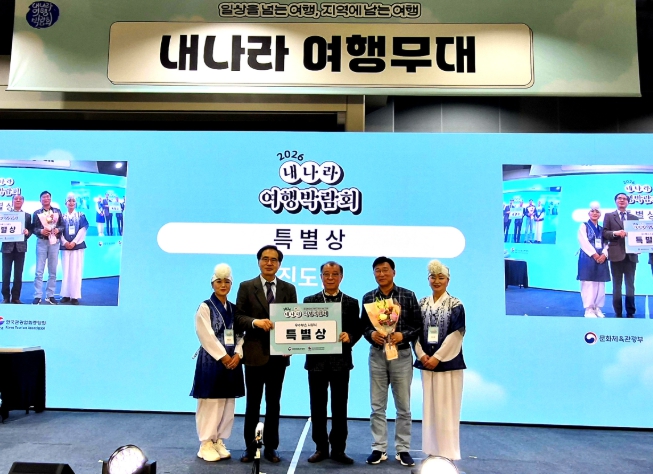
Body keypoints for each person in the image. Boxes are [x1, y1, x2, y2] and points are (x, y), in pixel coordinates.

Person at [235, 245, 297, 464]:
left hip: (279, 356)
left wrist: (290, 346)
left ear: (279, 264)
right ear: (259, 261)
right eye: (265, 258)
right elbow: (238, 317)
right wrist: (255, 322)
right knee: (252, 404)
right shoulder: (246, 286)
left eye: (274, 259)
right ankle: (250, 447)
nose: (269, 263)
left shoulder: (288, 288)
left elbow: (293, 319)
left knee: (274, 403)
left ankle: (271, 447)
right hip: (254, 354)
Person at [361, 256, 421, 467]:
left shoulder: (407, 295)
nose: (381, 274)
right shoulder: (369, 297)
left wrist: (402, 335)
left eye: (385, 270)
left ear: (393, 272)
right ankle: (379, 448)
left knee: (403, 405)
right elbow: (363, 326)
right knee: (377, 405)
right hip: (377, 355)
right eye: (377, 271)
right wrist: (371, 335)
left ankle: (403, 449)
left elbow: (418, 325)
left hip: (401, 354)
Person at [303, 261, 361, 465]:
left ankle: (338, 449)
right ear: (320, 277)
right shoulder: (309, 301)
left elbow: (357, 328)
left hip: (341, 362)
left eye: (334, 274)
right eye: (326, 274)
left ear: (341, 277)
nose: (330, 277)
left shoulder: (351, 302)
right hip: (316, 362)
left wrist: (349, 336)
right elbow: (303, 329)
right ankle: (320, 447)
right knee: (317, 407)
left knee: (340, 408)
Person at [190, 263, 245, 462]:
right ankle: (206, 443)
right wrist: (223, 356)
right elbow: (205, 335)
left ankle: (219, 440)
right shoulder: (205, 307)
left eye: (227, 282)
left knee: (228, 403)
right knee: (210, 403)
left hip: (232, 361)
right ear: (212, 284)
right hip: (212, 361)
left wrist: (238, 353)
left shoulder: (234, 309)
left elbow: (240, 334)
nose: (223, 285)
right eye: (219, 281)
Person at [414, 260, 466, 462]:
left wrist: (437, 357)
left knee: (448, 407)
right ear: (428, 279)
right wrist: (422, 355)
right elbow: (415, 333)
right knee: (430, 407)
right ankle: (432, 450)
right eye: (433, 277)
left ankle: (448, 452)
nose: (437, 281)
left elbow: (456, 334)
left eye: (441, 277)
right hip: (426, 362)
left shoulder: (455, 304)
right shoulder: (422, 304)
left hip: (448, 363)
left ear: (448, 280)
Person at [603, 193, 639, 317]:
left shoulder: (634, 218)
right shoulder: (609, 216)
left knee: (630, 285)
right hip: (615, 255)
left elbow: (638, 235)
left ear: (628, 202)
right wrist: (615, 233)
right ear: (615, 201)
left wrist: (639, 247)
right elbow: (605, 233)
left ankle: (630, 311)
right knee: (616, 285)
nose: (622, 200)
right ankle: (618, 312)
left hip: (631, 256)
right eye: (619, 198)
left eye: (624, 199)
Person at [577, 202, 610, 318]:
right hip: (588, 258)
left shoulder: (602, 229)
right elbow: (583, 242)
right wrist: (594, 254)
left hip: (602, 258)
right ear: (589, 213)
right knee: (588, 283)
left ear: (600, 215)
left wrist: (604, 254)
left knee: (600, 284)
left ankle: (598, 308)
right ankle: (589, 309)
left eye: (597, 212)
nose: (595, 213)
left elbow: (607, 243)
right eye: (592, 211)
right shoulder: (584, 226)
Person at [32, 191, 64, 305]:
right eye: (43, 197)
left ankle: (50, 295)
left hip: (54, 242)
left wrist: (58, 230)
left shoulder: (57, 212)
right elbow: (33, 228)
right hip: (41, 242)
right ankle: (37, 295)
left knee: (53, 270)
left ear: (50, 198)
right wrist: (41, 231)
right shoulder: (37, 213)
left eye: (48, 197)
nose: (46, 198)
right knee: (39, 271)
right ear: (40, 200)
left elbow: (62, 225)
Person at [59, 193, 89, 305]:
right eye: (69, 201)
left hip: (77, 247)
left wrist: (74, 242)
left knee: (76, 270)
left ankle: (75, 296)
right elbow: (59, 231)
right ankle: (66, 294)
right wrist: (65, 242)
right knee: (66, 270)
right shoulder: (62, 217)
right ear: (65, 203)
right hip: (65, 247)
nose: (71, 203)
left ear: (76, 203)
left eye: (73, 201)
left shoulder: (81, 215)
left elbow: (83, 230)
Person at [1, 194, 32, 304]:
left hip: (20, 248)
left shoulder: (27, 216)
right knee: (6, 273)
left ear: (23, 201)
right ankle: (5, 297)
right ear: (12, 201)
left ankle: (15, 297)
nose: (18, 200)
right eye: (16, 199)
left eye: (20, 199)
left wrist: (28, 232)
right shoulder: (4, 215)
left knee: (18, 274)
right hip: (7, 248)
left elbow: (30, 230)